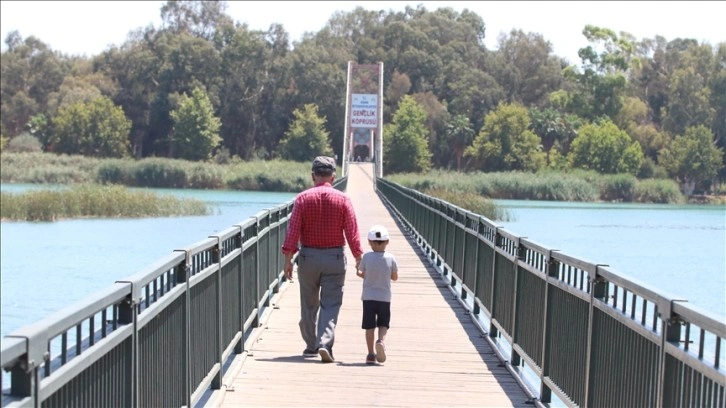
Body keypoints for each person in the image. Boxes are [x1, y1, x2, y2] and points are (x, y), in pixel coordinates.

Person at [282, 155, 363, 363]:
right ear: (333, 177)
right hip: (334, 258)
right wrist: (358, 256)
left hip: (308, 257)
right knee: (331, 304)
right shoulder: (343, 199)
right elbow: (352, 231)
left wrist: (288, 259)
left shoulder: (302, 199)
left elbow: (293, 231)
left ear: (313, 176)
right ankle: (325, 343)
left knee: (308, 304)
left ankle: (311, 346)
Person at [356, 224, 398, 364]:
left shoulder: (366, 257)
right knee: (383, 323)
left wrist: (358, 270)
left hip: (368, 297)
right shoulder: (391, 258)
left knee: (369, 326)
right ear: (387, 242)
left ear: (369, 242)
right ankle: (381, 341)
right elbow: (394, 277)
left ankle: (370, 354)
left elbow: (361, 273)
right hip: (384, 298)